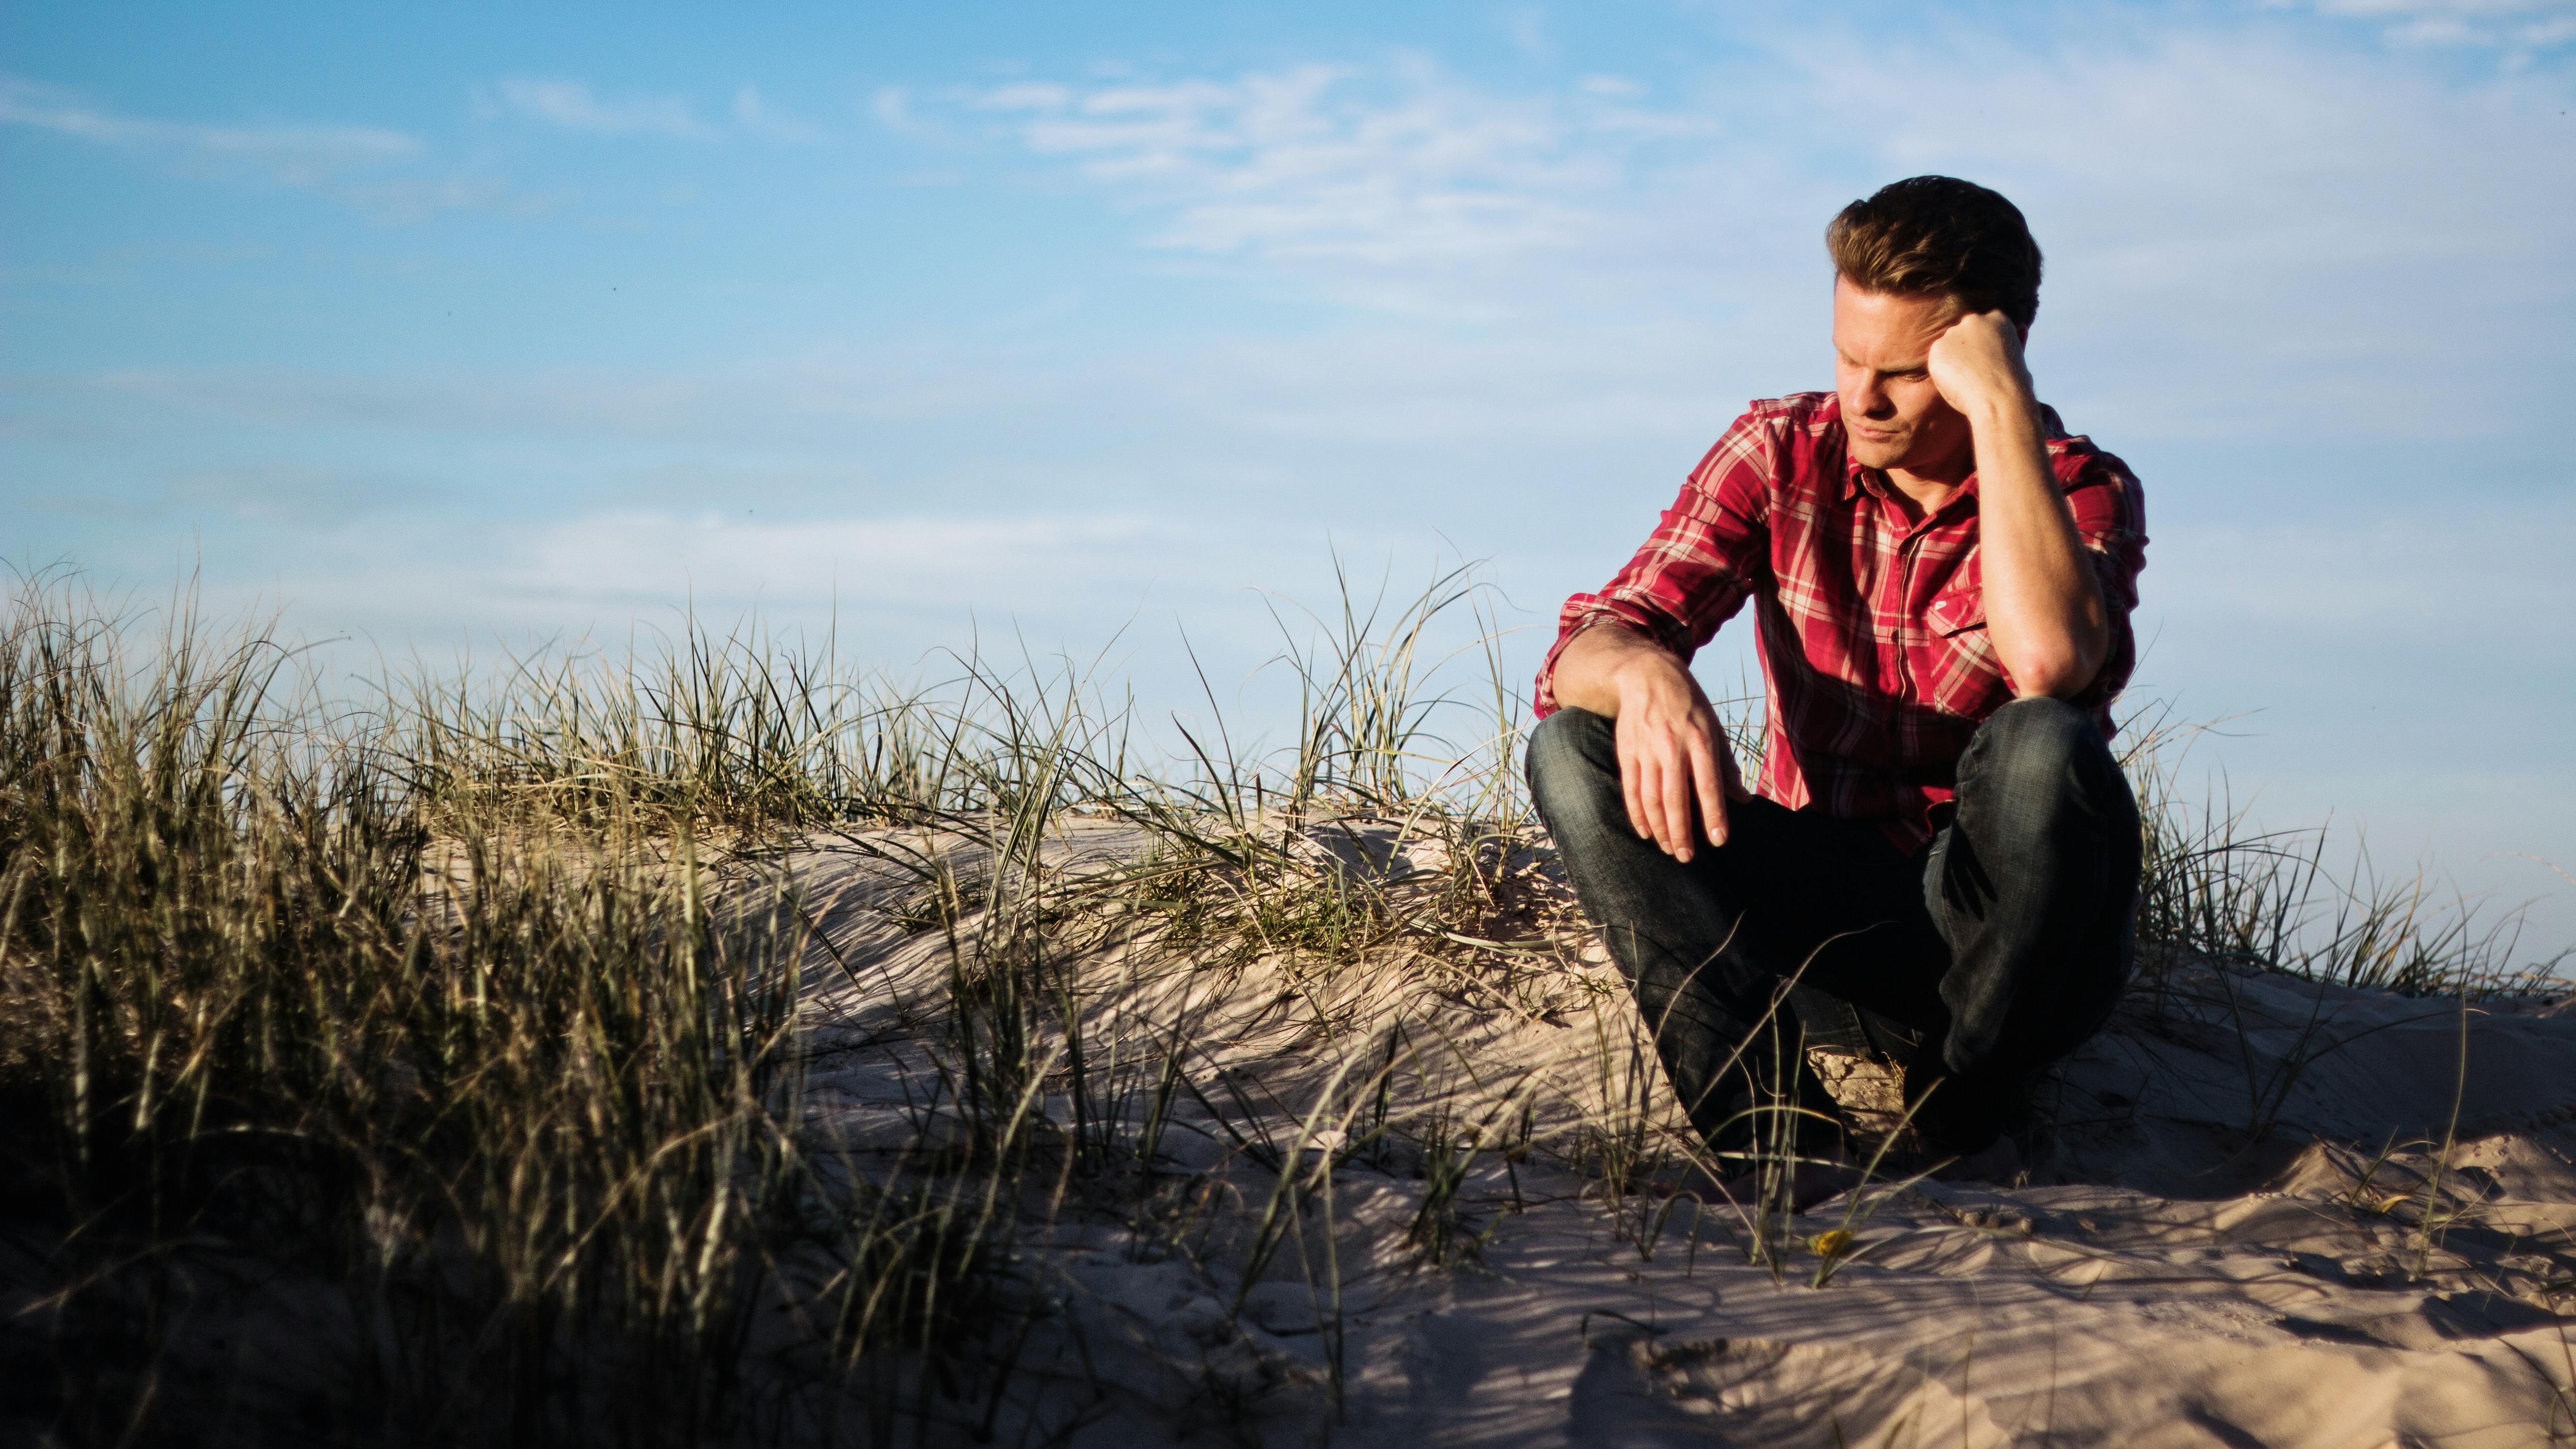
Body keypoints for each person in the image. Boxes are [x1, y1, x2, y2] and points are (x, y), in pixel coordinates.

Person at [1525, 175, 2147, 1178]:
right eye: (1848, 357)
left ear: (1995, 353)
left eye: (1905, 372)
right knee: (1571, 746)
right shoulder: (1781, 448)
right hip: (1837, 918)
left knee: (2045, 744)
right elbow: (1588, 643)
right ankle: (1773, 1137)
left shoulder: (2079, 485)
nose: (1863, 397)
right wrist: (1641, 672)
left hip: (2023, 944)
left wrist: (2001, 410)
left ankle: (1960, 1111)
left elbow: (2051, 665)